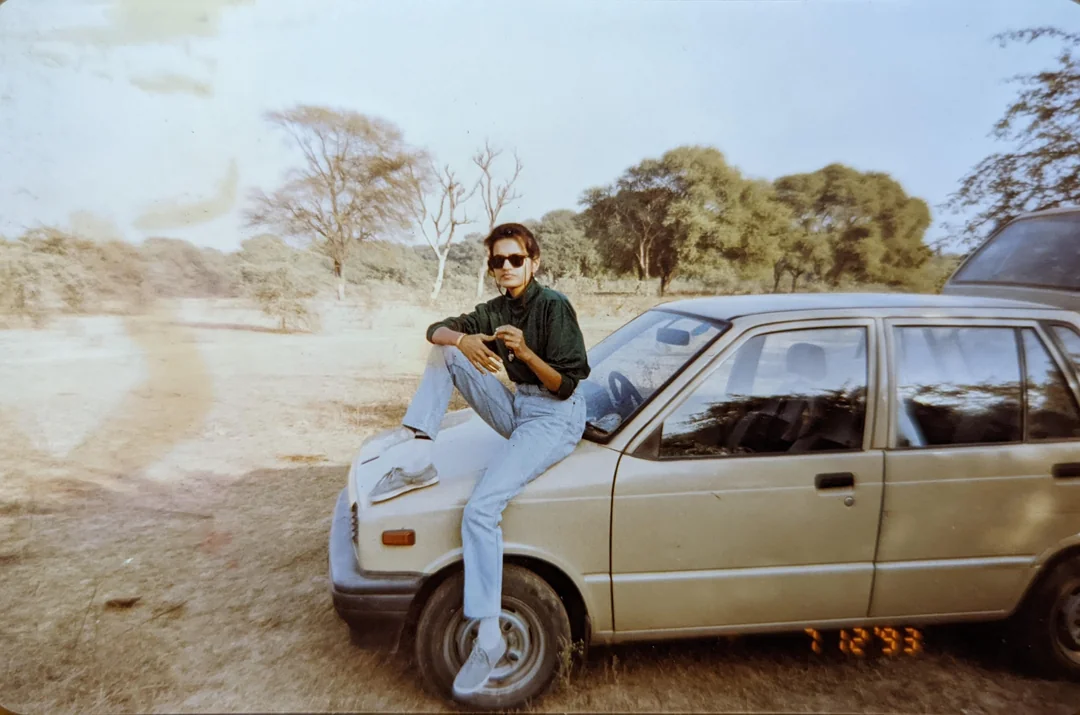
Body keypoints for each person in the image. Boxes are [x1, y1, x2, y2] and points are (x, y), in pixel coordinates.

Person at [356, 222, 591, 698]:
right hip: (520, 407)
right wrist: (461, 340)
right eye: (497, 261)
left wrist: (524, 351)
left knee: (481, 510)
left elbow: (566, 385)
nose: (506, 267)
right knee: (444, 353)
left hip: (555, 417)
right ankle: (419, 454)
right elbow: (434, 330)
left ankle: (488, 636)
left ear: (534, 262)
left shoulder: (554, 306)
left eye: (515, 259)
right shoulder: (496, 308)